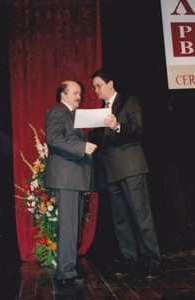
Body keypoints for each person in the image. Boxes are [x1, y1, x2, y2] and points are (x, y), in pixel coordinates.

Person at [89, 69, 161, 279]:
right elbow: (100, 139)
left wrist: (118, 125)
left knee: (141, 215)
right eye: (94, 87)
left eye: (98, 86)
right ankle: (130, 260)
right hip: (111, 170)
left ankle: (152, 261)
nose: (96, 90)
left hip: (131, 167)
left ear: (110, 83)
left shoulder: (129, 101)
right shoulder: (101, 110)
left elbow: (137, 129)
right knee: (121, 220)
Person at [44, 80, 97, 287]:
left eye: (80, 94)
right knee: (68, 226)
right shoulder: (58, 112)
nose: (79, 97)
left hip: (73, 178)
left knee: (72, 226)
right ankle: (66, 273)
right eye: (75, 93)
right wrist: (81, 147)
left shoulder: (72, 115)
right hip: (66, 177)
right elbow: (53, 138)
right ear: (62, 95)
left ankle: (68, 269)